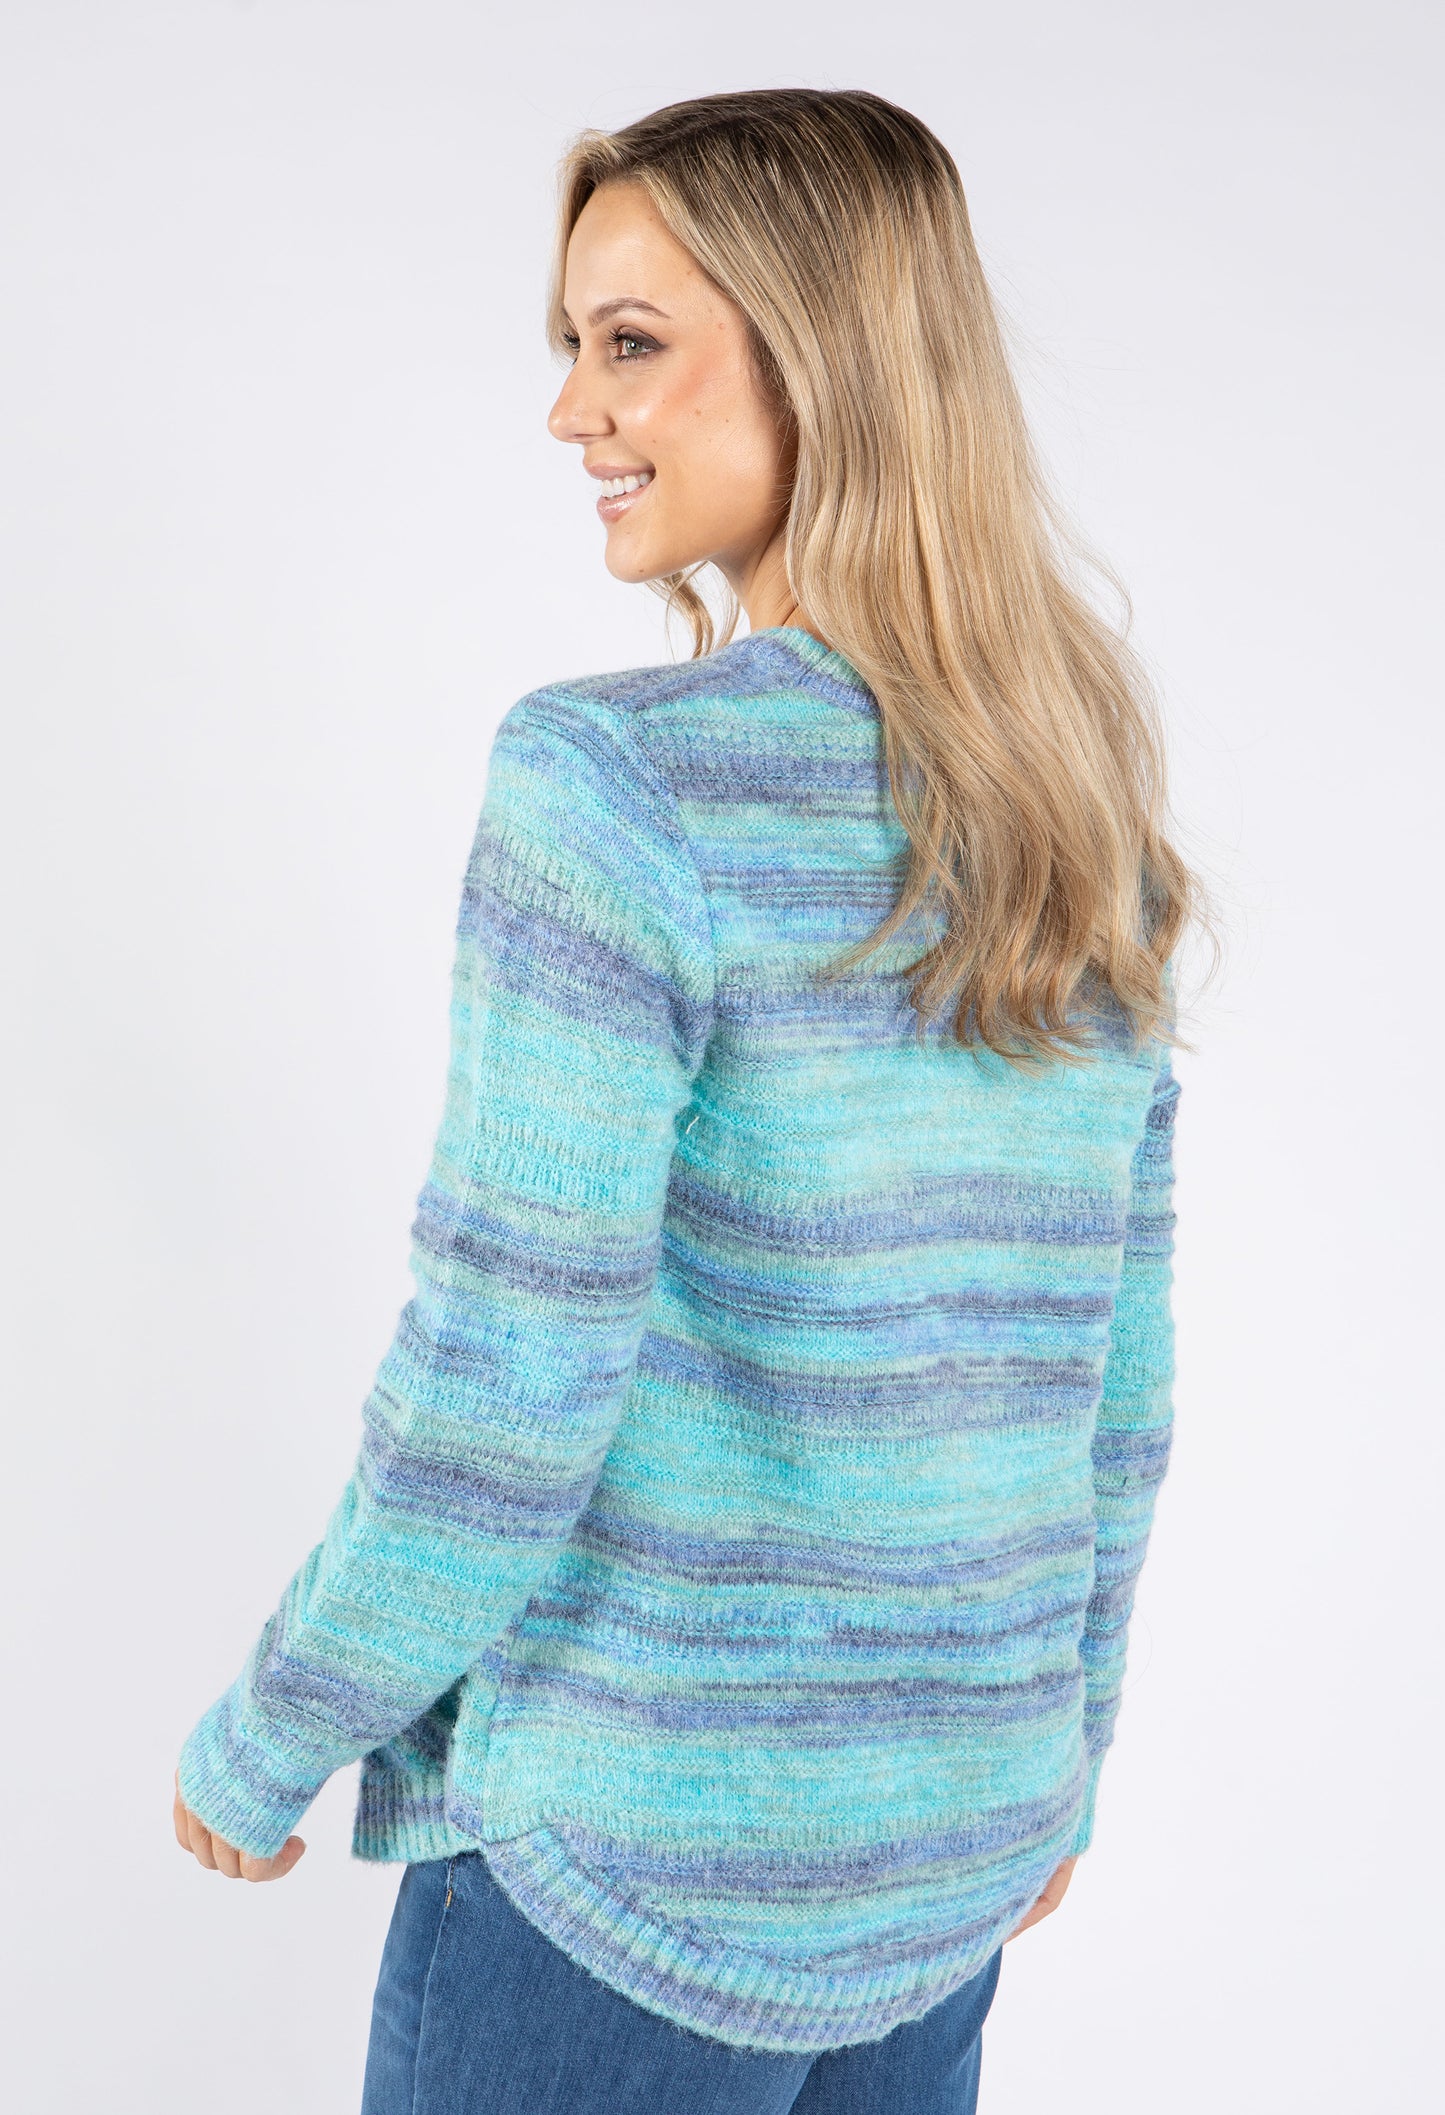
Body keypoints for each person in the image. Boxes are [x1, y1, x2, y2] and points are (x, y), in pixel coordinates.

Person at [174, 86, 1209, 2114]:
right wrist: (1061, 1753)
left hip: (623, 1873)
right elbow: (1113, 1391)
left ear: (822, 351)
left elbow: (507, 1386)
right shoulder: (1077, 821)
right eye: (575, 345)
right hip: (942, 1862)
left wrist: (271, 1730)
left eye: (631, 342)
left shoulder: (614, 785)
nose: (573, 410)